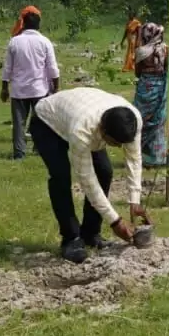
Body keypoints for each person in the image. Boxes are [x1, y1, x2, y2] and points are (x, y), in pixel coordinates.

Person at [29, 87, 151, 263]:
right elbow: (88, 181)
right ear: (102, 131)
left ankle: (90, 234)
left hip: (79, 111)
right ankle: (71, 239)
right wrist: (115, 221)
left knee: (105, 172)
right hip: (47, 123)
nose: (117, 148)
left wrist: (135, 200)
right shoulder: (82, 131)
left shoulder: (133, 119)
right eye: (115, 143)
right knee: (61, 177)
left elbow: (134, 158)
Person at [1, 10, 60, 160]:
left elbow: (8, 67)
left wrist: (4, 87)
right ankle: (39, 148)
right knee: (41, 121)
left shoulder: (14, 41)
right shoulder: (45, 42)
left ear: (23, 24)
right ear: (39, 24)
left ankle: (19, 154)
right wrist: (56, 86)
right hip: (39, 89)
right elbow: (52, 67)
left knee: (19, 123)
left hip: (19, 90)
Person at [133, 23, 169, 168]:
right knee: (158, 120)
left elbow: (137, 72)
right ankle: (158, 154)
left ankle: (140, 152)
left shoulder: (141, 51)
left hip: (145, 88)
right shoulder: (165, 49)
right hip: (160, 86)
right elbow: (166, 67)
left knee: (141, 119)